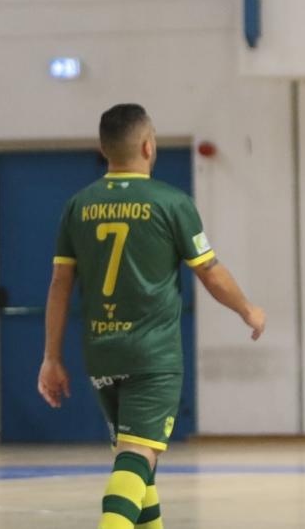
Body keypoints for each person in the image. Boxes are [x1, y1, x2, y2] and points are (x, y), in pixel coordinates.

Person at [37, 103, 266, 529]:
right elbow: (210, 273)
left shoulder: (78, 206)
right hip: (152, 356)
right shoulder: (171, 202)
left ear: (104, 149)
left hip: (101, 354)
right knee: (137, 455)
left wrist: (51, 357)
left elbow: (59, 284)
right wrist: (247, 309)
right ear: (147, 146)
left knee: (139, 464)